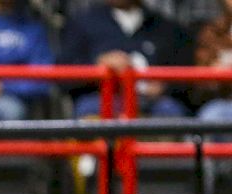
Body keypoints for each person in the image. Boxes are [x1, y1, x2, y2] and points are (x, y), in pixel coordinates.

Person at [59, 0, 193, 118]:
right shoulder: (82, 23)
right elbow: (63, 76)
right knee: (88, 109)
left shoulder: (167, 29)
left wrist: (164, 87)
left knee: (170, 111)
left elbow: (186, 80)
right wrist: (97, 67)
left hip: (154, 103)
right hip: (99, 99)